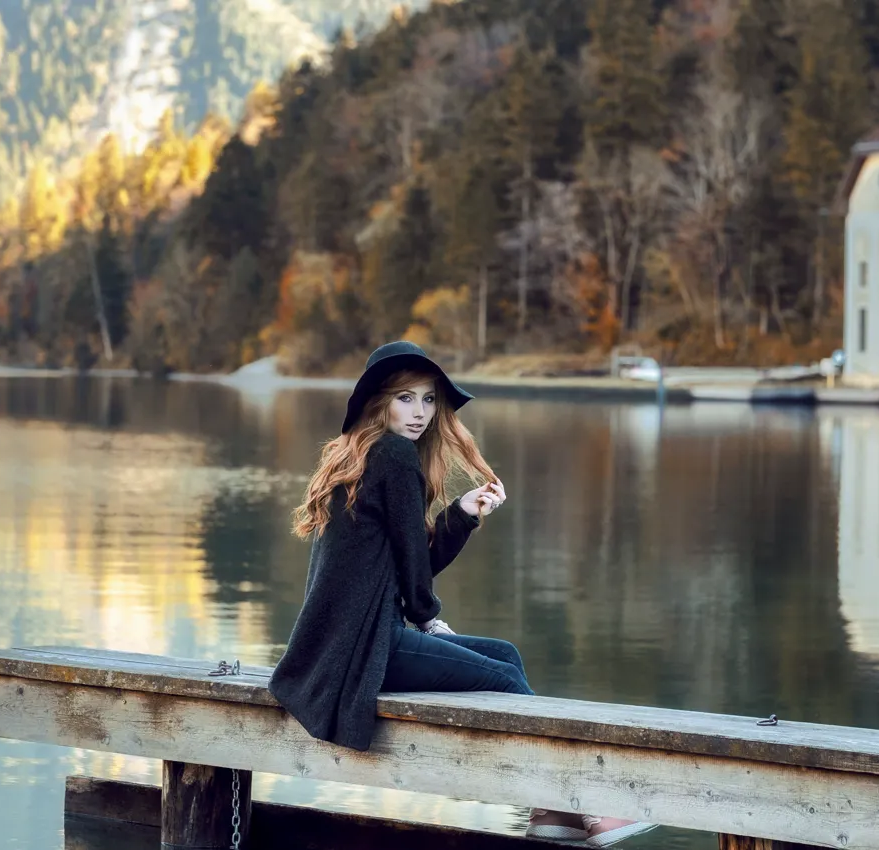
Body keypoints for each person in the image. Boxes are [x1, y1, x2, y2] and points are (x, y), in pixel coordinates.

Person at [269, 341, 655, 848]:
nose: (420, 413)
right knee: (504, 680)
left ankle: (552, 810)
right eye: (406, 398)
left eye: (428, 400)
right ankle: (586, 803)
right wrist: (429, 619)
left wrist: (461, 515)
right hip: (363, 648)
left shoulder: (361, 454)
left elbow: (410, 561)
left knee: (507, 658)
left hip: (346, 645)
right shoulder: (392, 454)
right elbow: (413, 576)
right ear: (378, 401)